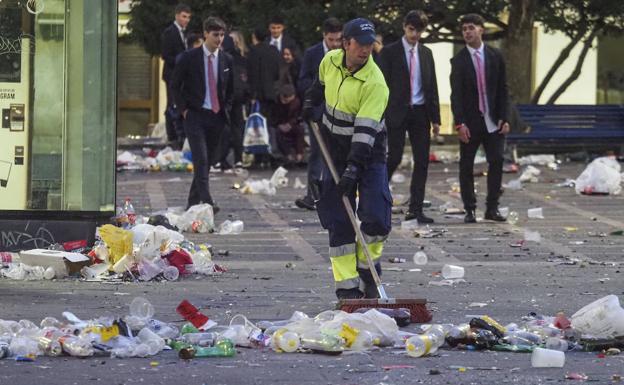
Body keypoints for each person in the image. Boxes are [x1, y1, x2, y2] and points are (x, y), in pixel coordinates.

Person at [302, 18, 390, 300]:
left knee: (376, 214)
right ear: (345, 44)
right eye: (360, 45)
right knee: (338, 217)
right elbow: (319, 86)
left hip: (369, 151)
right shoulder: (330, 61)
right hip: (333, 148)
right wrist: (309, 102)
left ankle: (368, 269)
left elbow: (365, 133)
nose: (366, 50)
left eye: (370, 45)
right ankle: (347, 285)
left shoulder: (375, 83)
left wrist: (353, 169)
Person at [379, 10, 441, 223]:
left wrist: (436, 119)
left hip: (420, 111)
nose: (415, 35)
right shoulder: (389, 52)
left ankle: (416, 209)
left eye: (419, 31)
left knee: (422, 161)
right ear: (405, 27)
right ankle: (375, 199)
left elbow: (432, 85)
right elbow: (381, 84)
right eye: (411, 29)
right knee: (393, 157)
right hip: (396, 111)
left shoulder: (426, 53)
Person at [450, 13, 510, 223]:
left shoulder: (495, 56)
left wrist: (505, 117)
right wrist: (460, 123)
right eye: (464, 28)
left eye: (471, 28)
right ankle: (470, 209)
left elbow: (503, 89)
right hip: (470, 122)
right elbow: (455, 95)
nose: (467, 32)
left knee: (496, 161)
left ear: (481, 30)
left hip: (493, 120)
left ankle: (492, 208)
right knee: (466, 165)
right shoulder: (458, 61)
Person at [171, 17, 233, 213]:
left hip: (216, 116)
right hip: (195, 115)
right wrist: (184, 110)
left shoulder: (226, 59)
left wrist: (227, 109)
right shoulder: (190, 57)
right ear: (206, 33)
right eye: (216, 35)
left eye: (222, 35)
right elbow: (175, 85)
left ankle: (192, 202)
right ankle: (207, 201)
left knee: (207, 161)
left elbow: (230, 89)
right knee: (201, 159)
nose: (219, 39)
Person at [294, 17, 343, 211]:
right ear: (324, 36)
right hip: (317, 112)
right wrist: (319, 89)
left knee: (337, 154)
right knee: (317, 154)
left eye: (338, 40)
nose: (334, 44)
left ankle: (334, 194)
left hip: (339, 112)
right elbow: (303, 81)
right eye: (331, 40)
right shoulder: (312, 53)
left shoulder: (344, 52)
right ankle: (312, 195)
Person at [161, 3, 191, 150]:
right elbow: (165, 55)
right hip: (172, 74)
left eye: (188, 18)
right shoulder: (169, 32)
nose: (186, 20)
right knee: (171, 104)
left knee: (180, 103)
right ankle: (172, 135)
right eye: (184, 17)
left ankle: (180, 134)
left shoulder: (186, 33)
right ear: (177, 15)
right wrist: (179, 60)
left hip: (183, 76)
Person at [272, 84, 305, 165]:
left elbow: (298, 116)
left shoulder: (297, 103)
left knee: (300, 130)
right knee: (278, 133)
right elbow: (273, 117)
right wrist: (279, 124)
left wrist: (290, 124)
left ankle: (299, 154)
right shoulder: (276, 102)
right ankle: (288, 155)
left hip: (292, 124)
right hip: (280, 124)